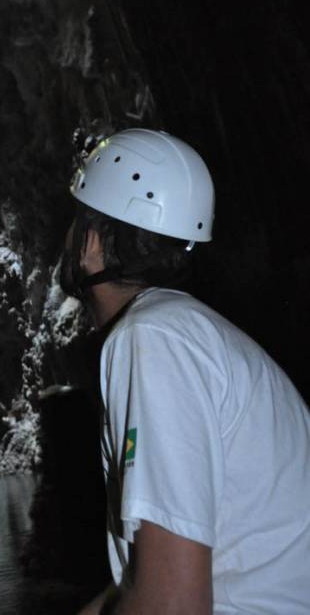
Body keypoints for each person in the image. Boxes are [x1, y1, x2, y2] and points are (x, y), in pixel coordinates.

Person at [60, 129, 310, 615]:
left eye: (74, 223)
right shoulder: (183, 330)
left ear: (91, 244)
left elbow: (174, 605)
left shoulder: (154, 339)